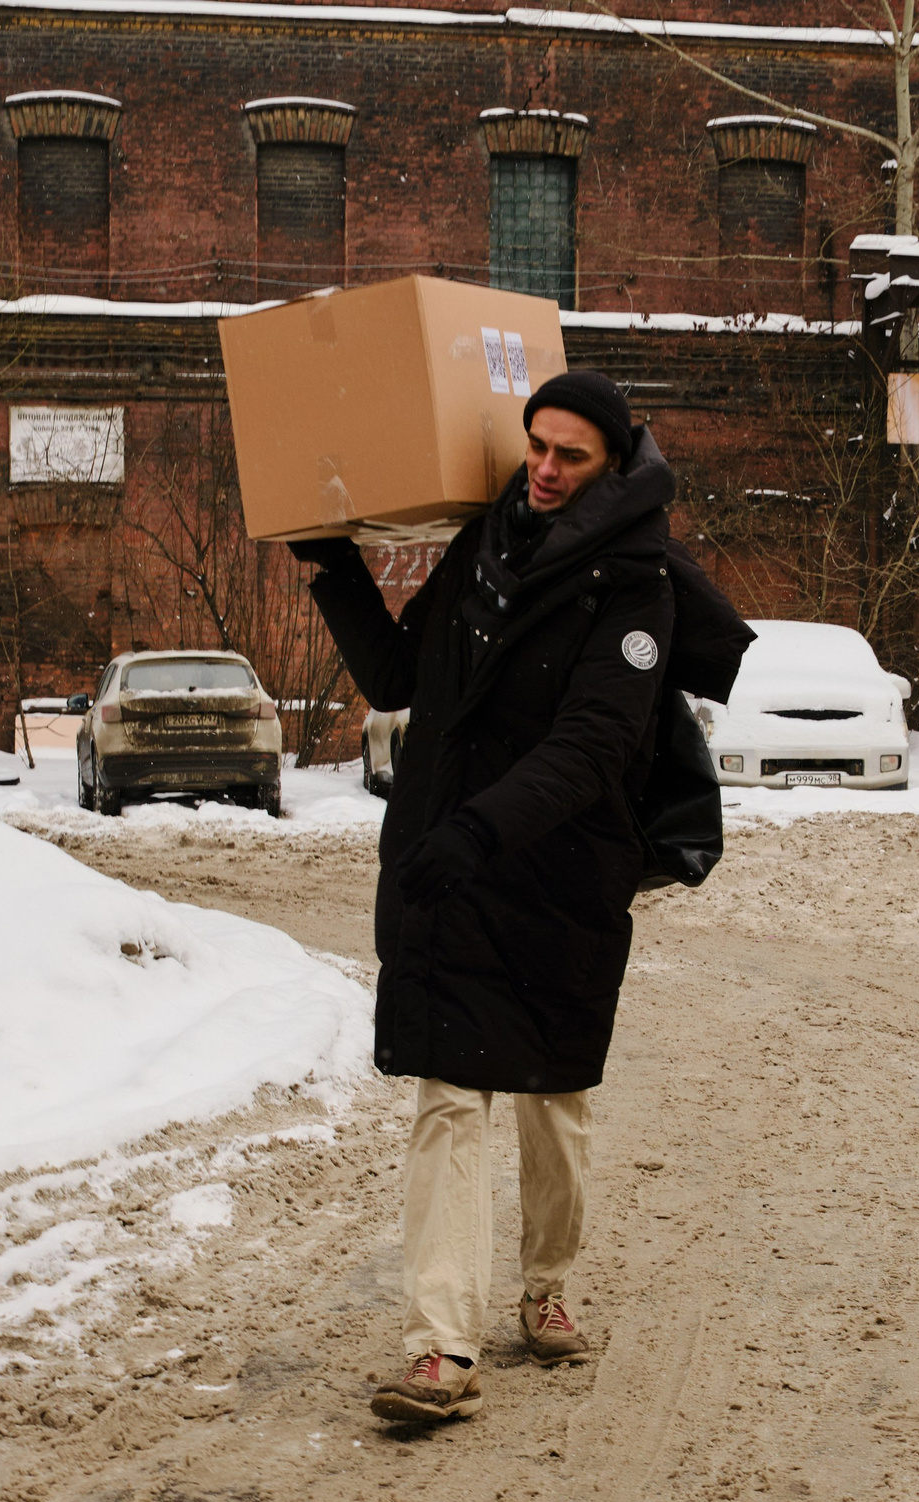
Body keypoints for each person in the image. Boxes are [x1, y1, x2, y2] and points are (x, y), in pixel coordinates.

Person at [292, 370, 685, 1426]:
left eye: (572, 457)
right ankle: (440, 1348)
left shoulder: (638, 587)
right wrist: (333, 567)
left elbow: (592, 746)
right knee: (449, 1096)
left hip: (557, 872)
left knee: (552, 1098)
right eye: (537, 448)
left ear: (611, 464)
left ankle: (546, 1285)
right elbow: (397, 677)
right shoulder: (484, 547)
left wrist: (476, 831)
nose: (546, 471)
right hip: (449, 867)